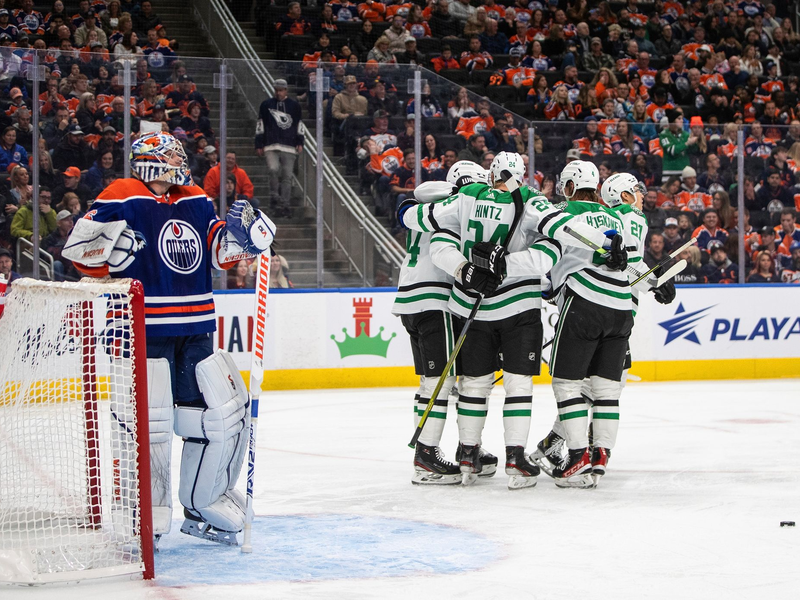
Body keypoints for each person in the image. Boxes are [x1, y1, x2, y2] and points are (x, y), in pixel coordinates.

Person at [64, 132, 275, 546]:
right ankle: (143, 512)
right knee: (150, 423)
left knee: (214, 417)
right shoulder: (122, 194)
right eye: (173, 156)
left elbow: (216, 250)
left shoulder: (194, 196)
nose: (182, 162)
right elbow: (79, 254)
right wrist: (107, 258)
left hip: (196, 325)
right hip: (142, 327)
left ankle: (204, 503)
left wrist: (246, 238)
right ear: (151, 161)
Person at [399, 153, 622, 490]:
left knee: (473, 384)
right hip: (519, 308)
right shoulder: (532, 201)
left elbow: (428, 227)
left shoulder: (465, 197)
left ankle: (467, 455)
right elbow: (555, 240)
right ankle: (516, 460)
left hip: (469, 305)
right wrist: (605, 243)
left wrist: (464, 268)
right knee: (518, 385)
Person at [255, 79, 303, 219]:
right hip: (271, 144)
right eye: (276, 90)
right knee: (273, 169)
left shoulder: (294, 106)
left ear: (286, 90)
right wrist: (259, 143)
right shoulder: (266, 105)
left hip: (289, 146)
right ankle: (274, 197)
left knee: (287, 176)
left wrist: (300, 141)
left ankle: (285, 204)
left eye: (281, 90)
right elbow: (260, 124)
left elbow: (299, 124)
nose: (278, 92)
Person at [42, 208, 77, 280]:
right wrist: (65, 249)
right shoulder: (50, 238)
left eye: (71, 219)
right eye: (67, 220)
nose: (70, 222)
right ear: (59, 223)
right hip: (61, 266)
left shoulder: (76, 236)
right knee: (57, 264)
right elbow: (48, 256)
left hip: (73, 266)